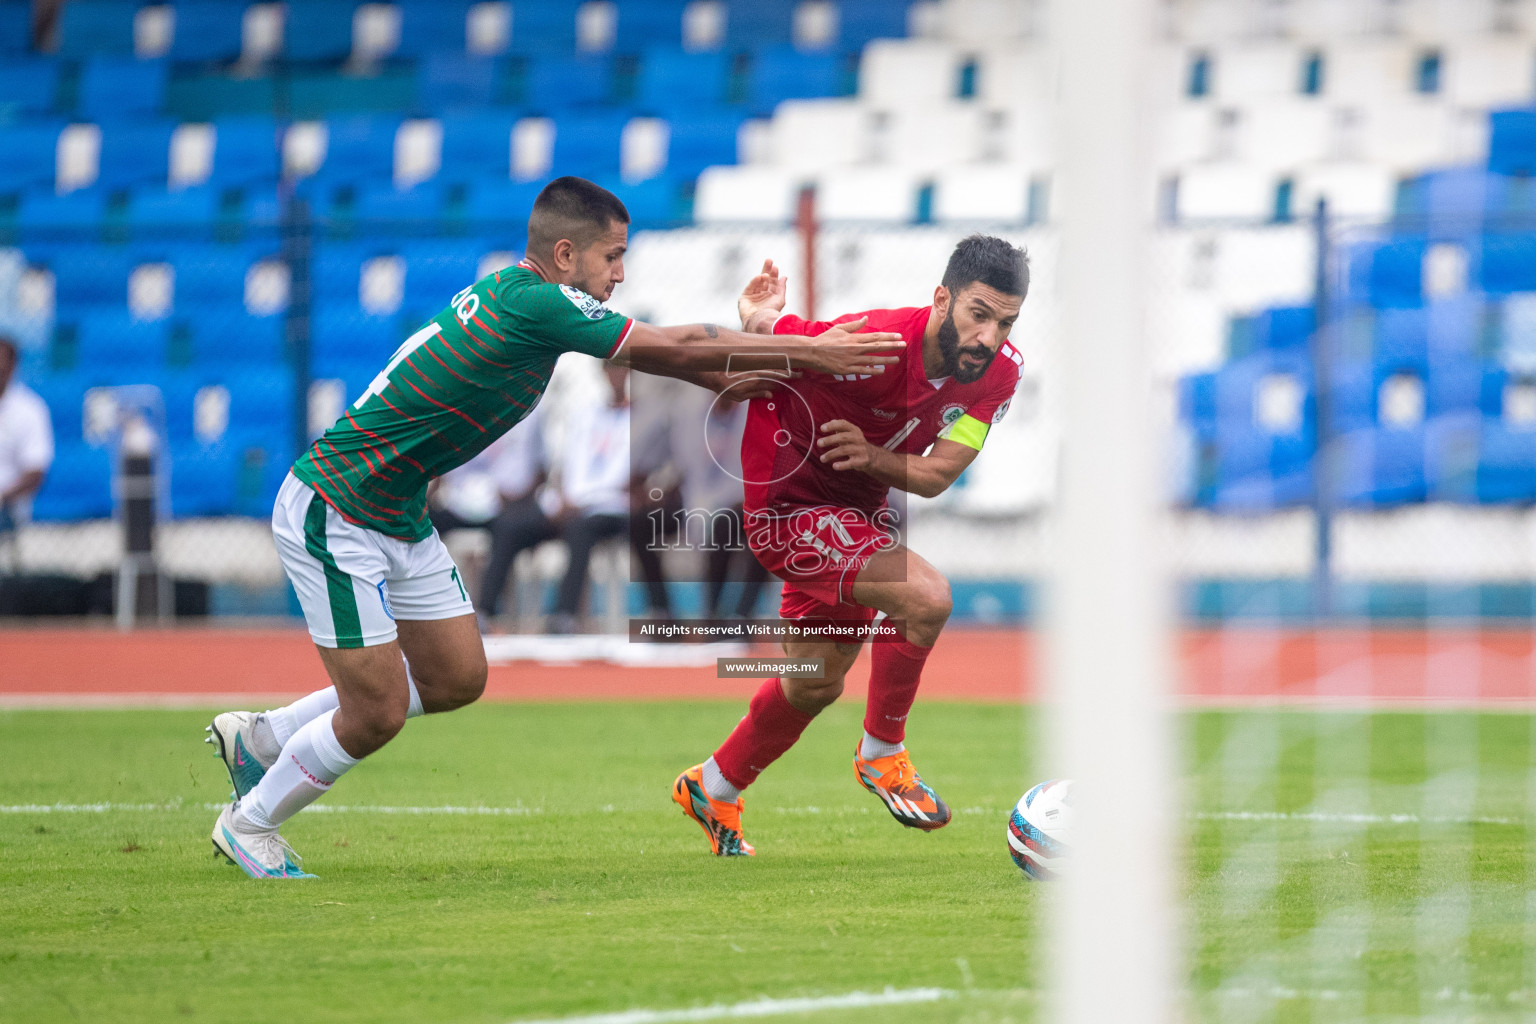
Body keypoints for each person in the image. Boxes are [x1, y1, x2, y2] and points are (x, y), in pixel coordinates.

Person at [201, 176, 905, 879]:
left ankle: (266, 737)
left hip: (397, 510)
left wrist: (737, 371)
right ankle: (251, 822)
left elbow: (686, 360)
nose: (620, 274)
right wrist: (808, 352)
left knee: (455, 677)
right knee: (377, 710)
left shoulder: (523, 299)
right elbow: (678, 345)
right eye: (613, 257)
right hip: (339, 506)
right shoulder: (540, 301)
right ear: (566, 255)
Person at [672, 235, 1027, 856]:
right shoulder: (872, 343)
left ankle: (714, 784)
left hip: (856, 522)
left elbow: (940, 475)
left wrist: (870, 457)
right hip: (787, 512)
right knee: (927, 598)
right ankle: (883, 752)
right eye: (979, 314)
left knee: (815, 680)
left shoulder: (1001, 375)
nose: (990, 337)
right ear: (942, 299)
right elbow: (786, 336)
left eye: (1006, 321)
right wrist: (760, 319)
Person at [546, 361, 633, 633]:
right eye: (612, 367)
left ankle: (565, 613)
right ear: (603, 372)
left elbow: (631, 475)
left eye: (622, 367)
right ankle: (488, 611)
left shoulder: (640, 415)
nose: (616, 374)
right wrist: (563, 496)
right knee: (518, 525)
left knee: (580, 530)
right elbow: (565, 464)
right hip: (578, 505)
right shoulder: (585, 415)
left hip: (614, 506)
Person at [0, 336, 53, 567]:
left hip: (7, 507)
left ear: (12, 366)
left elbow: (35, 472)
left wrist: (2, 496)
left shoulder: (30, 410)